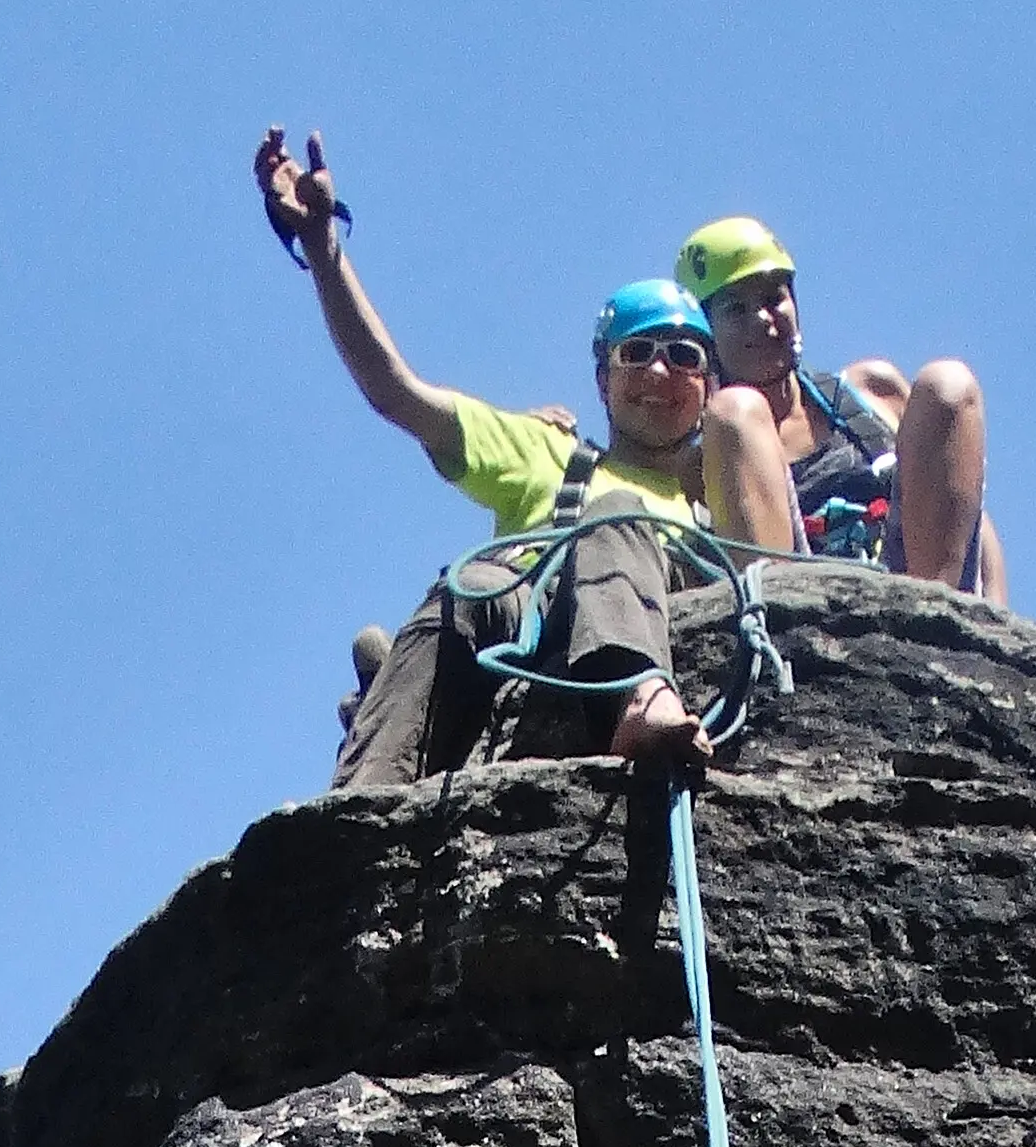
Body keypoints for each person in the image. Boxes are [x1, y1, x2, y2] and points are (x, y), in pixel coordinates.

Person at [255, 127, 800, 788]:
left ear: (709, 384)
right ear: (603, 378)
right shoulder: (544, 450)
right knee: (472, 588)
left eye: (684, 357)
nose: (660, 371)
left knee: (616, 513)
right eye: (638, 352)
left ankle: (638, 697)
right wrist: (321, 246)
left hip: (650, 599)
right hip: (522, 603)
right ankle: (362, 793)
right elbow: (396, 392)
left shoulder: (713, 491)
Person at [674, 213, 1005, 603]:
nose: (762, 319)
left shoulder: (871, 394)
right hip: (802, 616)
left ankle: (941, 614)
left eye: (773, 298)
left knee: (948, 383)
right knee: (735, 410)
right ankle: (779, 622)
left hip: (916, 594)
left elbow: (964, 511)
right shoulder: (709, 457)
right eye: (735, 309)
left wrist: (997, 627)